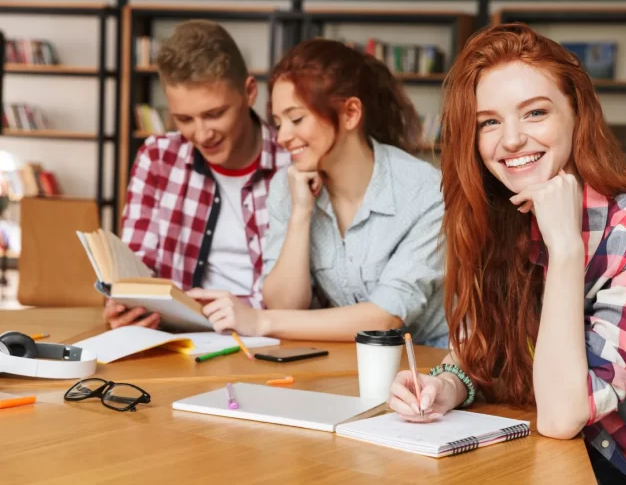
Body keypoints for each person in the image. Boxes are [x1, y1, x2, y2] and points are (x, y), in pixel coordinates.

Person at [389, 23, 626, 484]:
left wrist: (565, 249)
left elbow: (563, 415)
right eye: (490, 122)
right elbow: (494, 347)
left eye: (535, 113)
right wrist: (446, 385)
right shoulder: (510, 218)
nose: (512, 139)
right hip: (582, 460)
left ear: (576, 113)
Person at [187, 39, 449, 346]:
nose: (283, 137)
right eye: (278, 122)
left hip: (439, 366)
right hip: (356, 361)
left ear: (350, 113)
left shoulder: (427, 191)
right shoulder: (288, 187)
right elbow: (284, 307)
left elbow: (385, 318)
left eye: (296, 119)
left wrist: (257, 320)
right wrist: (300, 213)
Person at [105, 20, 289, 330]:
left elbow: (306, 297)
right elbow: (137, 271)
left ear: (250, 92)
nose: (202, 135)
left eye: (215, 114)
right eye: (184, 119)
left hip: (270, 339)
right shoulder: (158, 157)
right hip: (175, 339)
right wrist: (126, 307)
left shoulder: (293, 163)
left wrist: (235, 312)